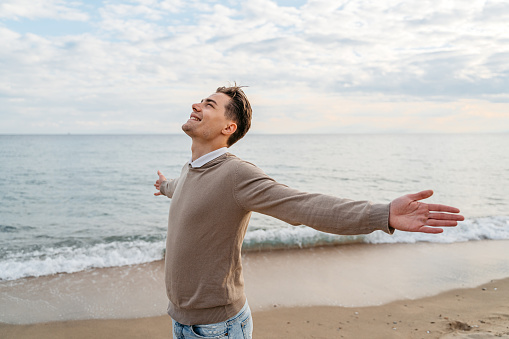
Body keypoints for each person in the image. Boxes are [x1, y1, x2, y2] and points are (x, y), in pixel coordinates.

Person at [154, 85, 464, 339]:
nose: (196, 105)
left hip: (217, 328)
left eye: (209, 105)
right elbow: (184, 188)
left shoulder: (236, 175)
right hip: (180, 321)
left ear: (228, 127)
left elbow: (303, 205)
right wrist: (166, 185)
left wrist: (382, 215)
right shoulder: (192, 171)